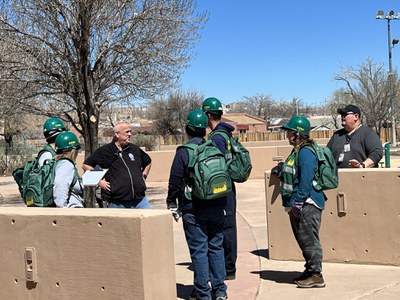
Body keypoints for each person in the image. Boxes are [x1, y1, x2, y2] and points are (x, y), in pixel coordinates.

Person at [166, 109, 228, 300]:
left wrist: (171, 202)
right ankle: (220, 291)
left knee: (199, 251)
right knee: (216, 248)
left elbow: (175, 181)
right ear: (204, 130)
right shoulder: (214, 148)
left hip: (194, 209)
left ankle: (203, 293)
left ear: (187, 129)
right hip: (217, 206)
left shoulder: (184, 152)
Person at [279, 115, 326, 288]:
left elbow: (306, 181)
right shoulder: (298, 150)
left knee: (309, 240)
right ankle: (310, 269)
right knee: (303, 240)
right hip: (299, 203)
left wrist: (298, 202)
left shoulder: (306, 152)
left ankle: (316, 275)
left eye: (289, 131)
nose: (287, 135)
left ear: (297, 134)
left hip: (307, 203)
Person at [202, 97, 237, 281]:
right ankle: (228, 266)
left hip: (222, 187)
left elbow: (215, 166)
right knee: (229, 225)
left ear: (208, 115)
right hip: (229, 185)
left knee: (226, 227)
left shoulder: (216, 137)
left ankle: (227, 268)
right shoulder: (226, 134)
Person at [82, 122, 152, 209]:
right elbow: (86, 165)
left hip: (140, 200)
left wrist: (144, 175)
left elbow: (148, 161)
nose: (130, 134)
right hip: (117, 202)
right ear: (117, 134)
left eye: (130, 132)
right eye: (127, 132)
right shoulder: (105, 151)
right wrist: (99, 182)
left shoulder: (134, 149)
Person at [327, 104, 383, 168]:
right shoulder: (337, 135)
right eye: (342, 115)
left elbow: (377, 153)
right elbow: (326, 154)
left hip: (361, 176)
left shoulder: (368, 133)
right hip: (338, 176)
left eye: (345, 114)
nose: (342, 117)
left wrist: (362, 165)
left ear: (356, 116)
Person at [53, 131, 84, 208]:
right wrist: (64, 211)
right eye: (77, 150)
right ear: (73, 150)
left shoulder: (58, 163)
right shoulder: (66, 165)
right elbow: (60, 189)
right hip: (71, 210)